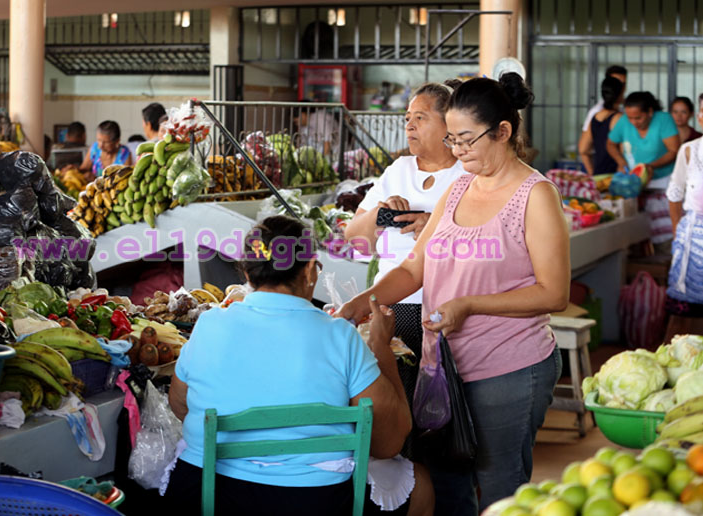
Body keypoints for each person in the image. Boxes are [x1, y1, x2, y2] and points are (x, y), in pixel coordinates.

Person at [337, 73, 567, 515]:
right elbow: (412, 267)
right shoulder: (460, 186)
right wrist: (360, 305)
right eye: (453, 141)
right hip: (441, 365)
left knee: (499, 488)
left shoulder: (534, 195)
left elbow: (553, 292)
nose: (458, 151)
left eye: (466, 140)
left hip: (509, 367)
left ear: (503, 131)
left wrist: (470, 305)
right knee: (446, 482)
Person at [166, 216, 434, 516]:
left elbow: (179, 404)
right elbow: (389, 443)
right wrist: (381, 346)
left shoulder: (209, 325)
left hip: (206, 494)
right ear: (309, 270)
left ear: (247, 272)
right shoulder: (340, 336)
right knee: (421, 484)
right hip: (310, 503)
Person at [343, 80, 467, 456]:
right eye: (407, 118)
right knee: (398, 411)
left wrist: (433, 228)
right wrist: (381, 217)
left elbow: (481, 247)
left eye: (420, 118)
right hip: (390, 309)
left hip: (444, 310)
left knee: (443, 421)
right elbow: (354, 237)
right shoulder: (398, 170)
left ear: (449, 124)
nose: (409, 126)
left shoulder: (467, 174)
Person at [607, 92, 680, 252]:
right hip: (632, 182)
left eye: (638, 118)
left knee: (664, 230)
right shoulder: (624, 121)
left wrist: (651, 166)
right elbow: (611, 143)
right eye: (630, 118)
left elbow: (674, 150)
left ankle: (666, 259)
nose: (633, 122)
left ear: (650, 112)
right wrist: (621, 162)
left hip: (662, 182)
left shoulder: (663, 120)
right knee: (634, 228)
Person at [665, 93, 703, 339]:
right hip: (693, 244)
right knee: (685, 317)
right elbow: (674, 194)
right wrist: (678, 231)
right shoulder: (689, 151)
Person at [578, 77, 624, 176]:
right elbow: (624, 150)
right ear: (621, 94)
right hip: (617, 176)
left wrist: (592, 173)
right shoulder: (620, 118)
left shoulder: (595, 117)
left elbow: (583, 150)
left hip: (599, 175)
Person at [581, 65, 627, 134]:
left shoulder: (628, 108)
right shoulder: (596, 111)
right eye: (616, 83)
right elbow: (586, 141)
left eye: (623, 84)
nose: (621, 88)